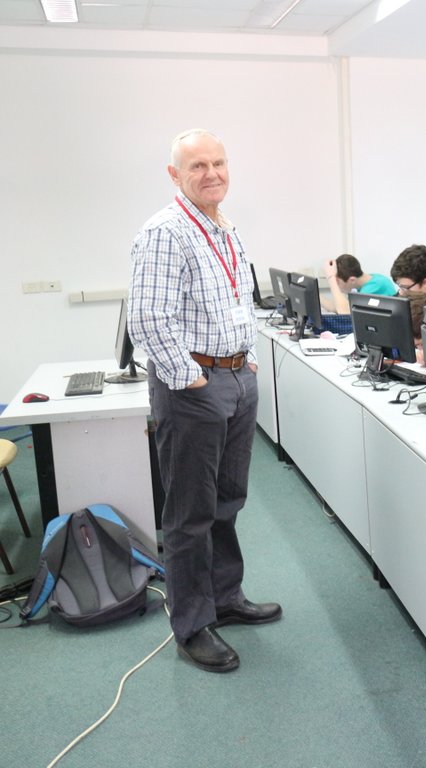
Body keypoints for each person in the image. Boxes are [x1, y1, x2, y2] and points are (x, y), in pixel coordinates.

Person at [128, 129, 280, 674]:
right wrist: (191, 379)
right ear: (176, 175)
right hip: (195, 386)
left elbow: (241, 300)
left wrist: (248, 357)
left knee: (227, 499)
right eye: (197, 166)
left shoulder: (224, 226)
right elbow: (148, 318)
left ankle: (225, 597)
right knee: (190, 512)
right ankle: (192, 624)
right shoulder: (165, 232)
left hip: (236, 376)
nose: (211, 173)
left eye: (218, 162)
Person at [323, 253, 398, 313]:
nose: (336, 285)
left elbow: (345, 312)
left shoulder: (374, 287)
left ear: (352, 280)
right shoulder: (372, 279)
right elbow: (337, 307)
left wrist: (331, 278)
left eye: (337, 281)